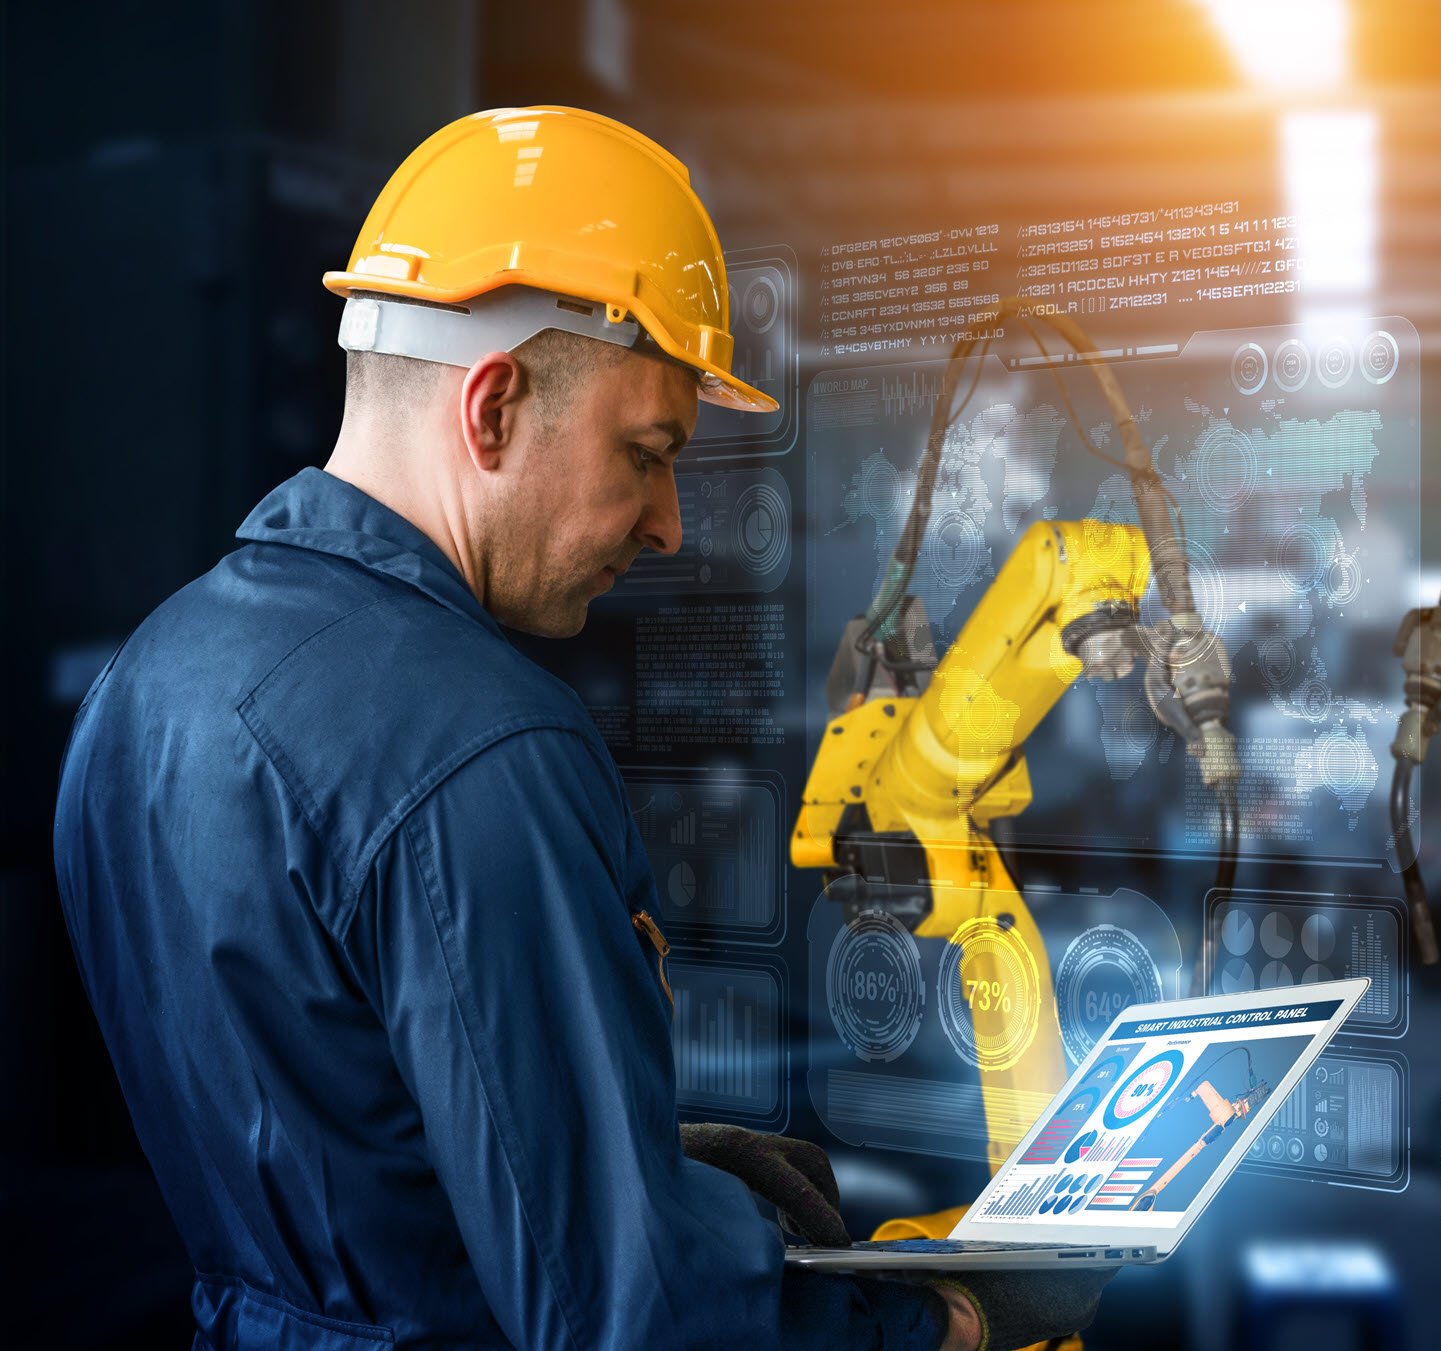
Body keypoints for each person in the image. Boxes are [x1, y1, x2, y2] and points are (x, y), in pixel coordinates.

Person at [52, 105, 1106, 1351]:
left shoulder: (149, 682)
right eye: (648, 452)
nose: (666, 522)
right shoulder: (484, 747)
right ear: (492, 406)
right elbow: (634, 1320)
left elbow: (333, 1129)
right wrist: (954, 1320)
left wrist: (621, 1158)